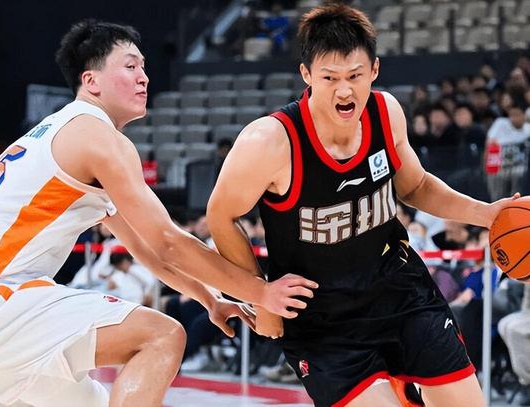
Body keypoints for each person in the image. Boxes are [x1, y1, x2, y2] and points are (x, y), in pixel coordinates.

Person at [0, 20, 317, 407]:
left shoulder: (62, 132)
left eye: (144, 66)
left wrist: (209, 298)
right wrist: (260, 293)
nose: (144, 77)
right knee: (162, 337)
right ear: (91, 81)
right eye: (130, 66)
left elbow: (148, 252)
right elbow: (167, 242)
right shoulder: (95, 136)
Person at [206, 4, 522, 406]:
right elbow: (221, 215)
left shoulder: (386, 112)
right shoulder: (269, 141)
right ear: (306, 75)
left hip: (399, 288)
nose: (344, 90)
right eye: (330, 78)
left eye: (355, 76)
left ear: (374, 70)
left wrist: (486, 213)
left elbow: (416, 185)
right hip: (322, 316)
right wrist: (258, 293)